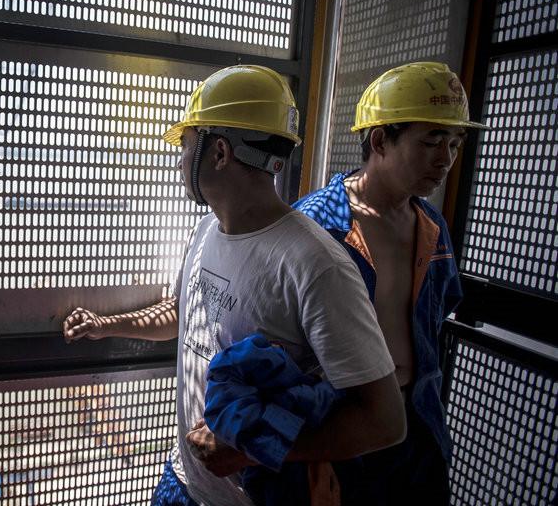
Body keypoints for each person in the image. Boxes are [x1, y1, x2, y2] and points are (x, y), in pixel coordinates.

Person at [63, 65, 406, 506]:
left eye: (186, 145)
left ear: (220, 152)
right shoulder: (205, 232)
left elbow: (384, 422)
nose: (180, 161)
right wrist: (107, 325)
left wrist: (252, 447)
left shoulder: (315, 265)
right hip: (184, 479)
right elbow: (187, 315)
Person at [294, 62, 483, 504]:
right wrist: (311, 449)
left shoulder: (432, 225)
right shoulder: (317, 224)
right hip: (341, 424)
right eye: (431, 141)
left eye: (455, 143)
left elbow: (440, 311)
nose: (446, 159)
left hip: (417, 422)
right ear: (379, 140)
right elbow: (282, 341)